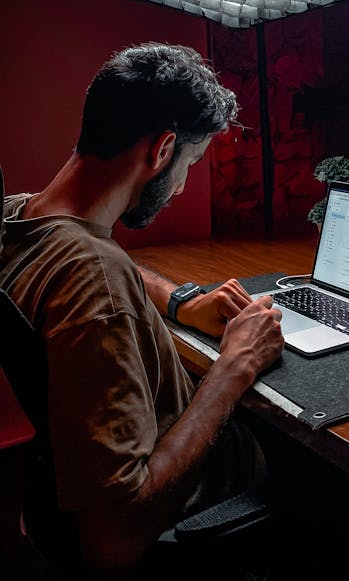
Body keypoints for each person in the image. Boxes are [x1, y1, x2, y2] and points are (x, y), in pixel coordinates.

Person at [0, 42, 285, 576]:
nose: (180, 188)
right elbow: (114, 542)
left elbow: (98, 266)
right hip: (196, 507)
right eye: (190, 165)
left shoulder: (19, 218)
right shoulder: (94, 281)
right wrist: (236, 365)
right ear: (161, 150)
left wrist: (182, 302)